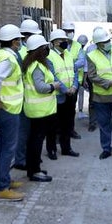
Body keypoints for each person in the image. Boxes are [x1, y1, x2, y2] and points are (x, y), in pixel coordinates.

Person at [0, 24, 26, 201]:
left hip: (7, 107)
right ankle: (3, 187)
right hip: (7, 108)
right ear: (13, 41)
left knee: (6, 146)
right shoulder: (9, 59)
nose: (20, 43)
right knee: (8, 147)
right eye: (18, 40)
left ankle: (5, 179)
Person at [86, 26, 112, 160]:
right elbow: (92, 76)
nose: (107, 43)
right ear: (98, 44)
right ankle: (106, 148)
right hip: (102, 97)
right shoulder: (91, 56)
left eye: (108, 40)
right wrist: (109, 83)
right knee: (104, 124)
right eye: (104, 42)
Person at [22, 34, 60, 182]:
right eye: (45, 47)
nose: (47, 50)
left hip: (37, 110)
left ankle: (34, 169)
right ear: (39, 50)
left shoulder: (31, 64)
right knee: (36, 142)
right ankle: (35, 171)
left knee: (34, 141)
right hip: (40, 111)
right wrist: (54, 86)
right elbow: (40, 87)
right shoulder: (37, 66)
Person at [14, 18, 43, 169]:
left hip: (30, 97)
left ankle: (30, 156)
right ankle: (20, 160)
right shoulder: (20, 52)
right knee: (23, 131)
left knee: (30, 130)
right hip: (22, 97)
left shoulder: (27, 50)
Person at [47, 29, 79, 159]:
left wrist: (75, 86)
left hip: (70, 95)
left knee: (67, 123)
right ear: (54, 42)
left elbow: (75, 72)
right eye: (61, 40)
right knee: (54, 125)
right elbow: (52, 76)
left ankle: (66, 148)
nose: (64, 42)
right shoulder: (49, 56)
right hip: (57, 95)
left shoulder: (69, 54)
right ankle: (52, 149)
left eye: (65, 40)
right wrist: (66, 89)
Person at [62, 23, 83, 139]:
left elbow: (82, 61)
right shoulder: (57, 45)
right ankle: (59, 133)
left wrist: (69, 65)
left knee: (71, 110)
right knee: (60, 111)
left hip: (74, 83)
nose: (69, 33)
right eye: (67, 31)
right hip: (61, 85)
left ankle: (71, 130)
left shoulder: (77, 45)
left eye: (71, 31)